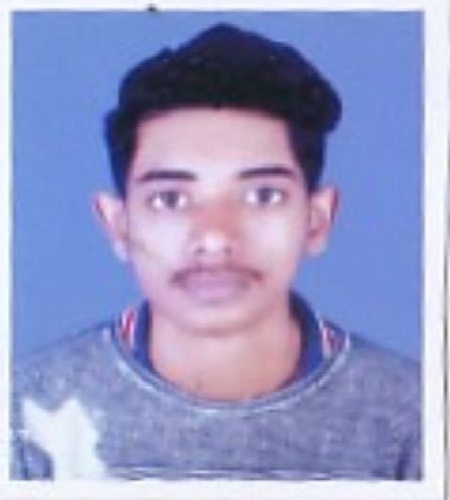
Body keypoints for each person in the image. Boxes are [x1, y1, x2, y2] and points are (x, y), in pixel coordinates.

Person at [11, 22, 420, 480]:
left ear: (317, 219)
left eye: (262, 195)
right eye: (170, 199)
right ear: (118, 225)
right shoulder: (26, 414)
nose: (215, 236)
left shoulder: (414, 417)